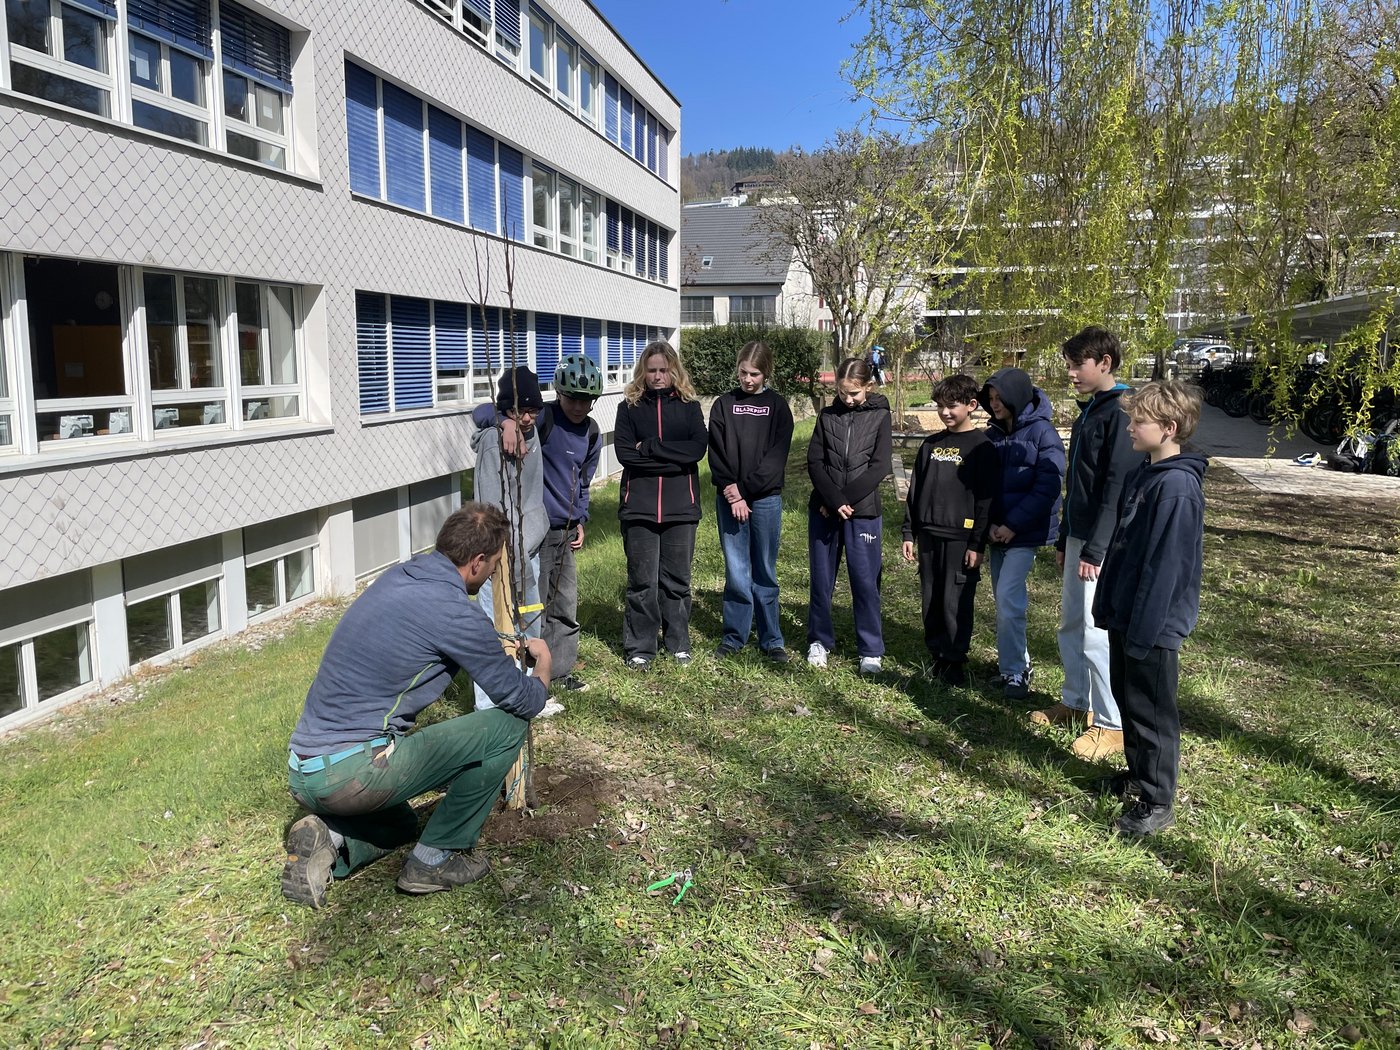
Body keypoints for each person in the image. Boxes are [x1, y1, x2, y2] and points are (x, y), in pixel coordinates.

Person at [282, 503, 551, 907]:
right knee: (506, 726)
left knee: (402, 823)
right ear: (477, 562)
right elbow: (522, 700)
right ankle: (435, 860)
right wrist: (544, 665)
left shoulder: (398, 578)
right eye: (494, 565)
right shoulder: (455, 613)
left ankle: (329, 837)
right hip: (351, 774)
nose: (493, 573)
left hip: (304, 771)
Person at [1092, 381, 1207, 836]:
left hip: (1153, 623)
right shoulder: (1145, 473)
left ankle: (1158, 800)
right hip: (1127, 613)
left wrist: (1144, 627)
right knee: (1128, 699)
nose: (1130, 428)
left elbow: (1168, 567)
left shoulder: (1177, 487)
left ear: (1169, 428)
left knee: (1152, 711)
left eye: (1139, 421)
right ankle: (1139, 776)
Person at [1036, 326, 1145, 760]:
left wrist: (1096, 549)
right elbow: (1077, 486)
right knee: (1071, 623)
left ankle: (1111, 723)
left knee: (1096, 630)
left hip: (1104, 543)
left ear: (1105, 363)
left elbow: (1117, 487)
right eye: (1068, 365)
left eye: (1077, 364)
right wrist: (1066, 535)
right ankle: (1076, 700)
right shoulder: (1090, 411)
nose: (1070, 373)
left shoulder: (1121, 411)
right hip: (1079, 536)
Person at [900, 374, 1000, 685]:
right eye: (940, 406)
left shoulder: (982, 448)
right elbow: (915, 491)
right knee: (931, 598)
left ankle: (954, 660)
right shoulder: (930, 445)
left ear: (971, 405)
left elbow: (986, 500)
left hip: (961, 540)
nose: (945, 412)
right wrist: (909, 532)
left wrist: (977, 544)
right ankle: (936, 655)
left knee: (955, 602)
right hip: (929, 535)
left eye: (952, 406)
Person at [614, 341, 707, 668]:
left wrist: (650, 447)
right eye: (651, 370)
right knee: (642, 582)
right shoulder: (628, 408)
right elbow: (625, 455)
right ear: (643, 371)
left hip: (681, 507)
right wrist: (673, 459)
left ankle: (678, 643)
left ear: (673, 371)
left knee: (677, 581)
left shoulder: (689, 407)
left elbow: (696, 450)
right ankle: (640, 648)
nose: (657, 376)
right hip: (638, 507)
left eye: (663, 370)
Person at [469, 366, 552, 714]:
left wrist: (506, 420)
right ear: (505, 410)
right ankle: (489, 706)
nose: (527, 418)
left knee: (529, 623)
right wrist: (502, 423)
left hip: (528, 548)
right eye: (519, 411)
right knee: (496, 630)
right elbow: (494, 511)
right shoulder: (494, 443)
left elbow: (482, 411)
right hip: (497, 554)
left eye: (533, 410)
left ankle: (527, 696)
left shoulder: (532, 430)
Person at [980, 367, 1065, 699]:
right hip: (996, 533)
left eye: (999, 398)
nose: (994, 404)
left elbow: (1048, 486)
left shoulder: (1043, 433)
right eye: (990, 398)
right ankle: (1014, 665)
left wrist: (1013, 525)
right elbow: (982, 485)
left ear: (1015, 396)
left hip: (1024, 533)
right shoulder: (992, 434)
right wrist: (989, 524)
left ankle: (1016, 671)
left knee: (1007, 598)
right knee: (1003, 600)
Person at [708, 341, 795, 660]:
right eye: (743, 372)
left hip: (765, 500)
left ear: (766, 373)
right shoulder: (723, 405)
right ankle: (734, 635)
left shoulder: (778, 407)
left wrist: (742, 492)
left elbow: (775, 460)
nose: (747, 379)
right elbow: (716, 453)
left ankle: (771, 638)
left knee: (764, 569)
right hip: (729, 498)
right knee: (736, 569)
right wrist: (732, 492)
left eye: (754, 374)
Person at [807, 356, 893, 674]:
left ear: (868, 386)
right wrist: (832, 499)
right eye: (842, 392)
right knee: (821, 579)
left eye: (854, 393)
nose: (848, 399)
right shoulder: (827, 415)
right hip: (824, 509)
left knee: (865, 580)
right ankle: (818, 640)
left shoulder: (881, 415)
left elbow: (880, 466)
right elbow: (815, 461)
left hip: (863, 511)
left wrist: (843, 500)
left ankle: (870, 649)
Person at [536, 353, 604, 695]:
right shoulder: (543, 418)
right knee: (535, 605)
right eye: (572, 398)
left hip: (566, 530)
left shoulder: (591, 432)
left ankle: (560, 671)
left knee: (564, 603)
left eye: (586, 400)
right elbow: (488, 413)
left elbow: (584, 482)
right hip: (536, 530)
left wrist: (581, 518)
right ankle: (532, 675)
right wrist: (507, 423)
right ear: (558, 393)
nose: (579, 406)